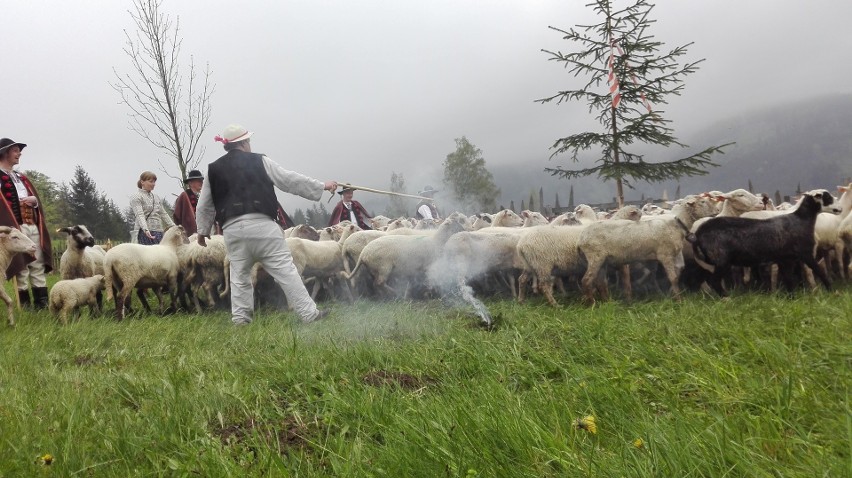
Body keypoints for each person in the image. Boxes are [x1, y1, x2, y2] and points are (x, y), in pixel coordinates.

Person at [195, 124, 338, 325]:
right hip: (263, 225)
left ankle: (241, 321)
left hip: (233, 230)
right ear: (243, 143)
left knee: (239, 277)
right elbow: (288, 180)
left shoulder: (213, 169)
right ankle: (309, 314)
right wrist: (322, 186)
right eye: (248, 141)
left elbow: (204, 204)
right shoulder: (260, 161)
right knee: (286, 271)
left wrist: (201, 231)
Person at [0, 137, 53, 309]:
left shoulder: (21, 177)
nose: (19, 153)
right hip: (15, 228)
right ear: (5, 152)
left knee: (36, 262)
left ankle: (42, 304)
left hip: (32, 225)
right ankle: (25, 306)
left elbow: (34, 199)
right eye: (15, 150)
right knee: (21, 266)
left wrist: (34, 201)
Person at [130, 171, 175, 245]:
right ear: (142, 182)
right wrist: (145, 230)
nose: (153, 184)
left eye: (154, 182)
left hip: (159, 232)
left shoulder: (156, 197)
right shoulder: (136, 197)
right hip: (145, 233)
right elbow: (139, 215)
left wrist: (173, 226)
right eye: (151, 181)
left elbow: (163, 213)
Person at [173, 169, 204, 236]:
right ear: (190, 183)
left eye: (201, 181)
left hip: (201, 230)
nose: (201, 183)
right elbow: (177, 215)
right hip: (188, 232)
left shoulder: (203, 197)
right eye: (199, 181)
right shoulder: (184, 197)